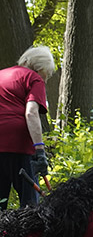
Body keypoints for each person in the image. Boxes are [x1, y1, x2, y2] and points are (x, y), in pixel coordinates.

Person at [0, 46, 55, 209]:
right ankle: (29, 235)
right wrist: (40, 151)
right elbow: (31, 113)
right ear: (40, 68)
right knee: (30, 205)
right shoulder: (34, 78)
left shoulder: (1, 75)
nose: (45, 80)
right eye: (47, 74)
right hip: (19, 146)